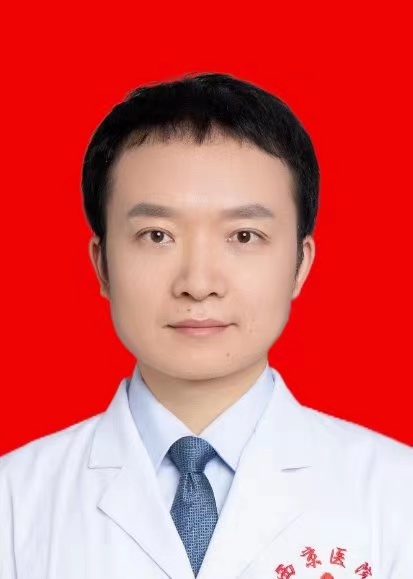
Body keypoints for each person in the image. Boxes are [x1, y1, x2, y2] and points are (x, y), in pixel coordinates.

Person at [0, 72, 412, 579]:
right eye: (157, 235)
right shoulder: (13, 502)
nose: (198, 284)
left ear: (300, 264)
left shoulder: (398, 495)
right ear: (102, 264)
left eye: (244, 235)